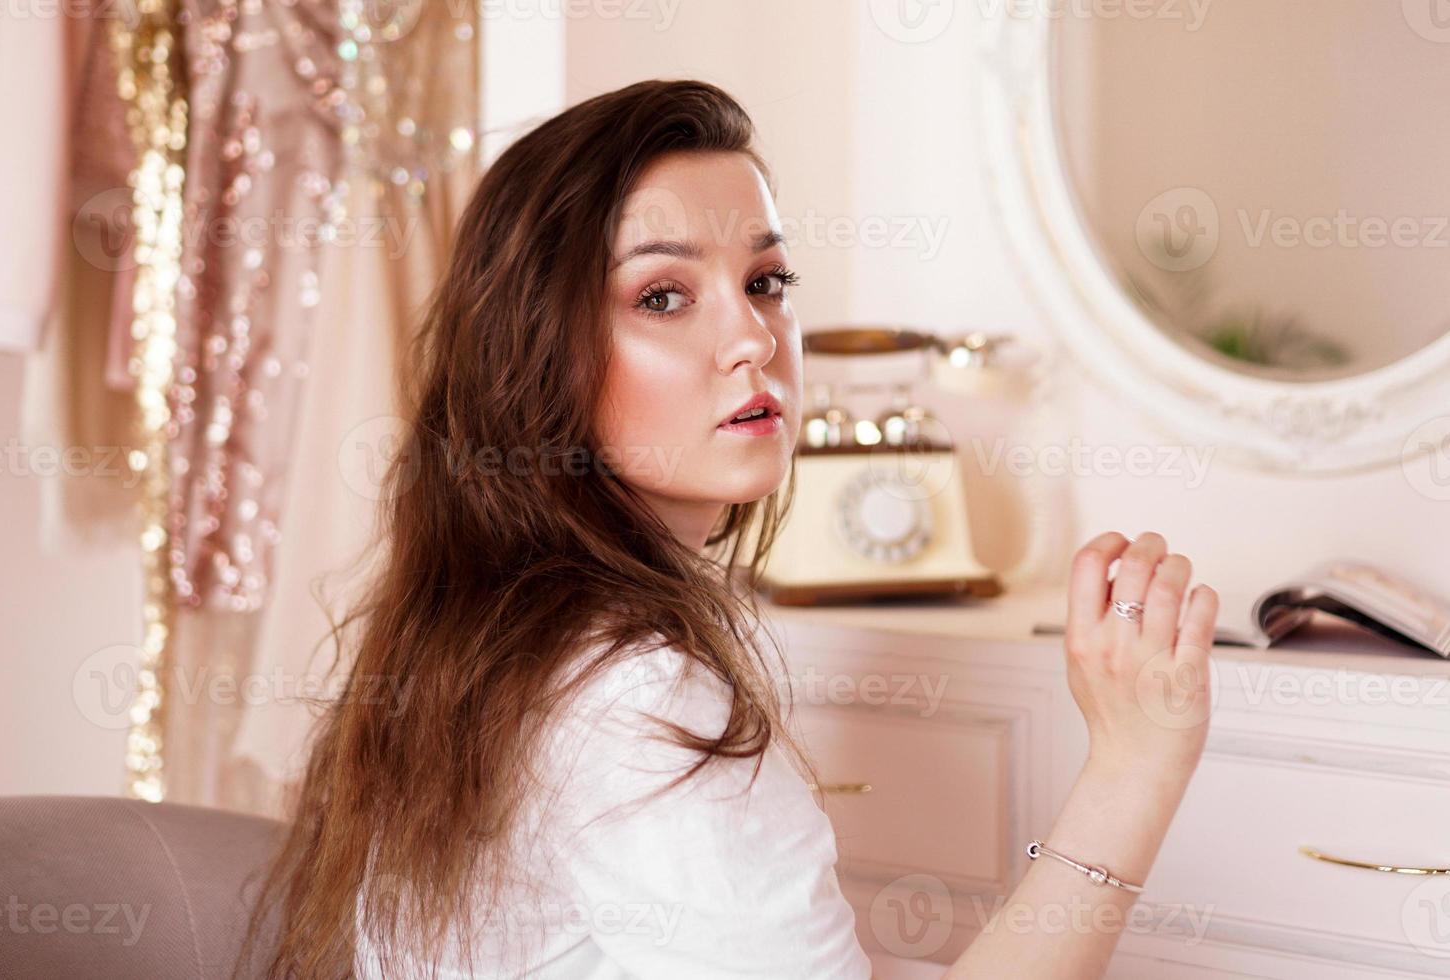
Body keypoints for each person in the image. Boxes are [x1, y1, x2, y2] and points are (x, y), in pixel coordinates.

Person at [238, 78, 1220, 980]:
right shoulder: (640, 698)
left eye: (767, 281)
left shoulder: (489, 636)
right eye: (663, 295)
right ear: (536, 351)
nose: (753, 337)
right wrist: (1134, 764)